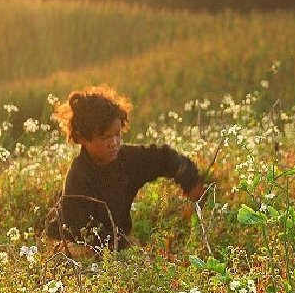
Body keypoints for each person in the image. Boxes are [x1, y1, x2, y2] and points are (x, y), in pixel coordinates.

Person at [46, 85, 204, 256]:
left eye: (117, 134)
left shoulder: (128, 159)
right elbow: (81, 230)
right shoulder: (78, 176)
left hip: (115, 238)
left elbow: (165, 157)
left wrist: (190, 181)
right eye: (105, 137)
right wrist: (125, 245)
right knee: (84, 253)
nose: (113, 142)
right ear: (82, 138)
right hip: (73, 239)